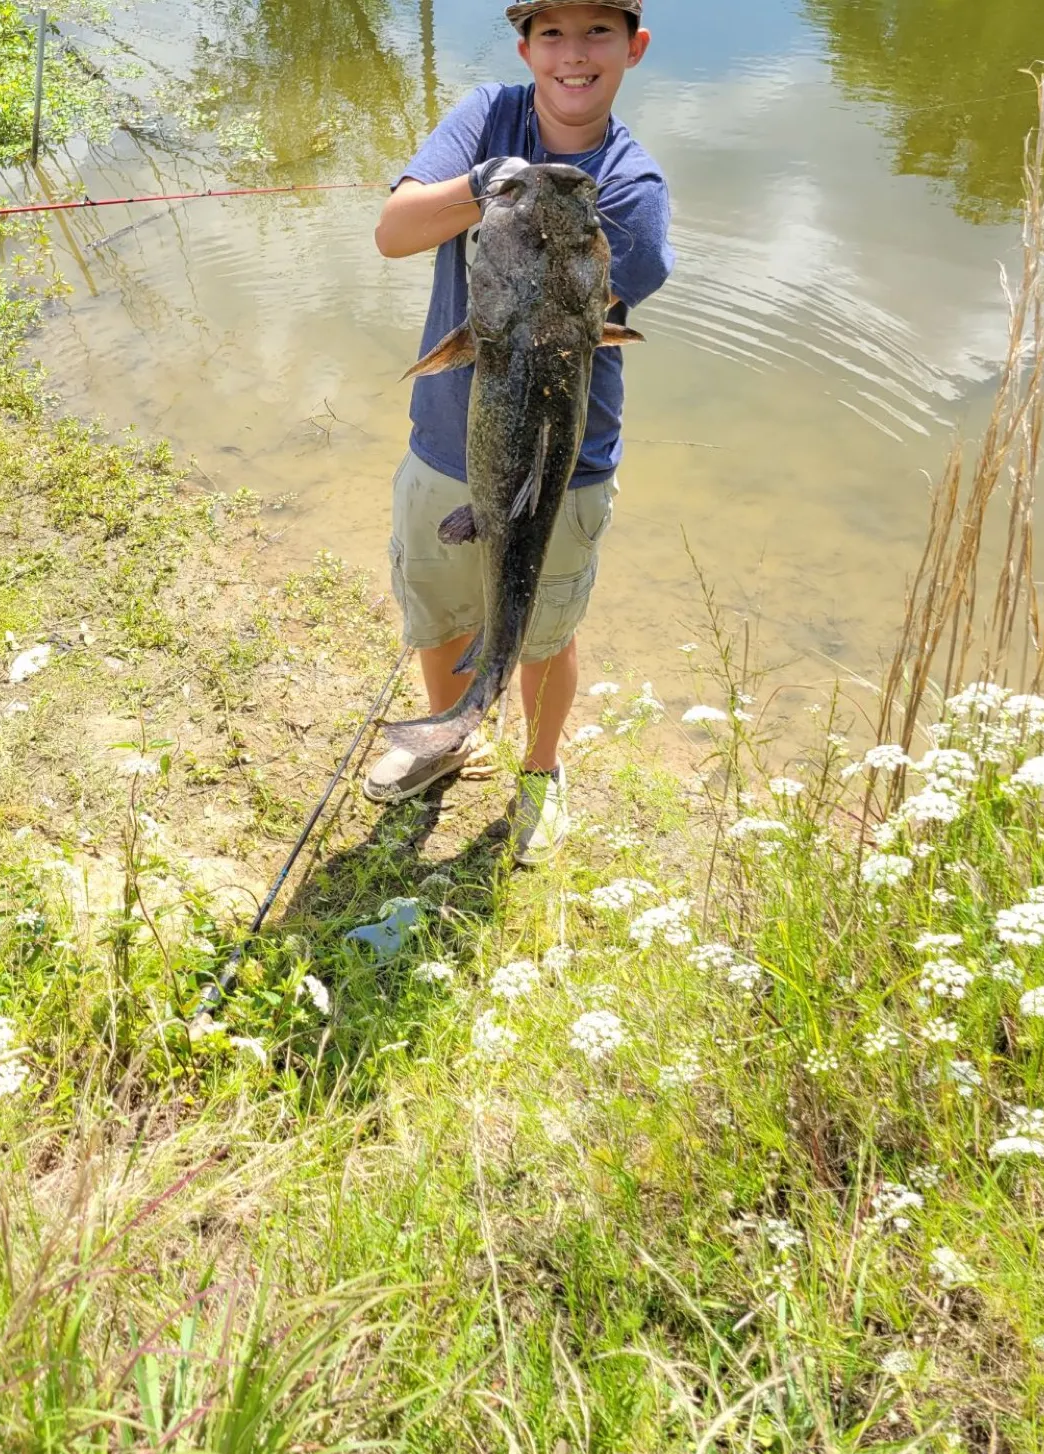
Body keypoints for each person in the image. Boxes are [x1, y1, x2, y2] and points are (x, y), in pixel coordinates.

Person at [366, 0, 673, 865]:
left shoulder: (633, 190)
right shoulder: (486, 116)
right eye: (553, 35)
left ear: (633, 47)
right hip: (443, 439)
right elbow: (393, 233)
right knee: (442, 607)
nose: (574, 56)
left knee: (544, 628)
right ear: (526, 46)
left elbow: (572, 307)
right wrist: (481, 186)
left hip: (562, 463)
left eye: (598, 34)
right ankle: (451, 730)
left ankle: (541, 770)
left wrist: (518, 206)